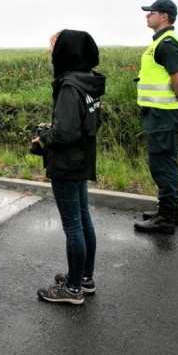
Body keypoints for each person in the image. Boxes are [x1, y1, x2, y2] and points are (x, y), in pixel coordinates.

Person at [33, 29, 106, 305]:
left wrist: (44, 136)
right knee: (83, 218)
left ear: (65, 51)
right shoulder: (89, 82)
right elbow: (88, 124)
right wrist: (57, 129)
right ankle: (84, 278)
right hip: (83, 157)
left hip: (66, 162)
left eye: (54, 48)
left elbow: (64, 134)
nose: (52, 53)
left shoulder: (68, 86)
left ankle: (73, 289)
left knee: (73, 225)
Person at [133, 0, 178, 235]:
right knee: (164, 162)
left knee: (163, 164)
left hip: (163, 116)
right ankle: (168, 211)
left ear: (163, 16)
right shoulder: (162, 42)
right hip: (159, 114)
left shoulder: (166, 43)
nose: (146, 16)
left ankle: (166, 218)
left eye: (150, 12)